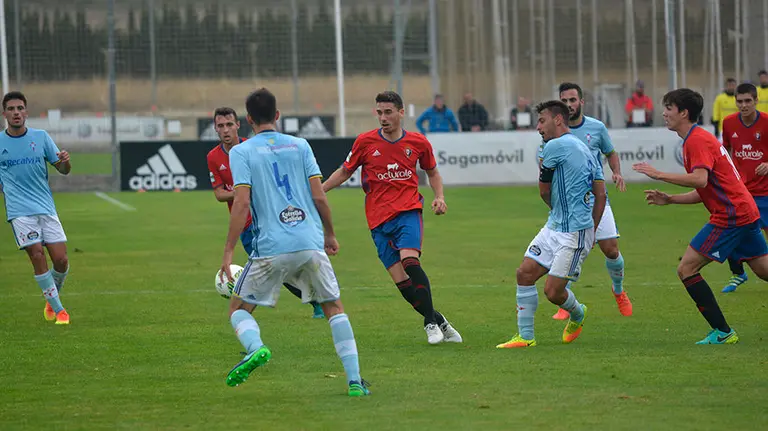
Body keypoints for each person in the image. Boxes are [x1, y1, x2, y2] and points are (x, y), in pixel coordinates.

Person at [218, 88, 369, 396]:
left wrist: (229, 250)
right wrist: (329, 233)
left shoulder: (241, 152)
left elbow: (242, 203)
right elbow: (318, 195)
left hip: (271, 247)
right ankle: (354, 382)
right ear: (277, 115)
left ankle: (256, 348)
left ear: (247, 120)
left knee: (238, 308)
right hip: (309, 241)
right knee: (334, 307)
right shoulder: (300, 145)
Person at [322, 90, 462, 345]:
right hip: (377, 220)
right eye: (379, 112)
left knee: (410, 262)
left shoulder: (418, 142)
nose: (383, 118)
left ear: (401, 112)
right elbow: (344, 172)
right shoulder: (365, 142)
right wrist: (319, 191)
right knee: (404, 285)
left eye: (388, 112)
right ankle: (439, 319)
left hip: (408, 211)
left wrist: (439, 196)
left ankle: (429, 323)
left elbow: (432, 172)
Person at [633, 88, 768, 344]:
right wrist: (671, 199)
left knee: (687, 268)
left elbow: (700, 179)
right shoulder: (696, 139)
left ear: (684, 113)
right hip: (744, 210)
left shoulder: (696, 141)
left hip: (731, 216)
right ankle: (722, 331)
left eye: (669, 108)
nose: (664, 113)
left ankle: (723, 332)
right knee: (763, 270)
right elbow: (705, 188)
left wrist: (658, 174)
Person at [496, 100, 606, 348]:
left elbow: (544, 190)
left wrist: (582, 229)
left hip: (573, 232)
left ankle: (578, 314)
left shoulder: (554, 146)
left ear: (558, 120)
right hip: (556, 227)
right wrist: (594, 229)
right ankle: (525, 337)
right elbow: (601, 194)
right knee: (524, 273)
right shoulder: (587, 150)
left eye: (542, 120)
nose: (538, 127)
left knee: (553, 292)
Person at [207, 106, 324, 319]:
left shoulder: (252, 148)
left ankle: (244, 320)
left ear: (238, 125)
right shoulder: (213, 157)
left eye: (229, 125)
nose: (225, 130)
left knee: (276, 267)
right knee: (280, 269)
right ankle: (317, 299)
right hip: (245, 224)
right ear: (215, 128)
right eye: (221, 126)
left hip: (268, 218)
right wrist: (240, 192)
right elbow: (218, 194)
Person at [550, 83, 632, 319]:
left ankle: (618, 291)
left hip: (596, 198)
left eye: (572, 100)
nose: (569, 105)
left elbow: (610, 152)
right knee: (570, 250)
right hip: (569, 204)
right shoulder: (556, 131)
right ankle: (564, 300)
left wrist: (616, 172)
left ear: (581, 102)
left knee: (610, 249)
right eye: (564, 101)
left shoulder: (596, 128)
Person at [0, 91, 71, 325]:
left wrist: (65, 160)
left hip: (46, 207)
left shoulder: (41, 137)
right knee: (37, 255)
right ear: (5, 114)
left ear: (26, 112)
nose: (16, 113)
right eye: (11, 109)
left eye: (20, 108)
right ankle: (60, 310)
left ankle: (51, 299)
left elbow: (63, 169)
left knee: (61, 261)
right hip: (19, 211)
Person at [719, 83, 768, 292]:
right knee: (730, 228)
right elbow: (726, 151)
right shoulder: (729, 123)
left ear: (756, 100)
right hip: (741, 192)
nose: (744, 105)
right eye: (740, 101)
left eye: (748, 101)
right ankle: (738, 273)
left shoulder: (766, 122)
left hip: (765, 192)